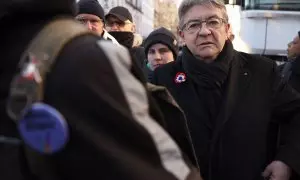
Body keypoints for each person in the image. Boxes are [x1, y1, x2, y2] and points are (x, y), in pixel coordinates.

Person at [0, 0, 202, 179]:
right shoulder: (92, 57)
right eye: (82, 20)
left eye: (94, 21)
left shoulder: (93, 58)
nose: (157, 57)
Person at [151, 0, 300, 180]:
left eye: (213, 22)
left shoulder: (262, 71)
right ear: (182, 35)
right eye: (194, 25)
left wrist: (287, 160)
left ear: (227, 29)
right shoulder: (162, 79)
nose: (205, 31)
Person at [105, 6, 146, 72]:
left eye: (120, 23)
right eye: (110, 23)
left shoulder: (143, 54)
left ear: (132, 28)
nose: (114, 27)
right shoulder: (101, 51)